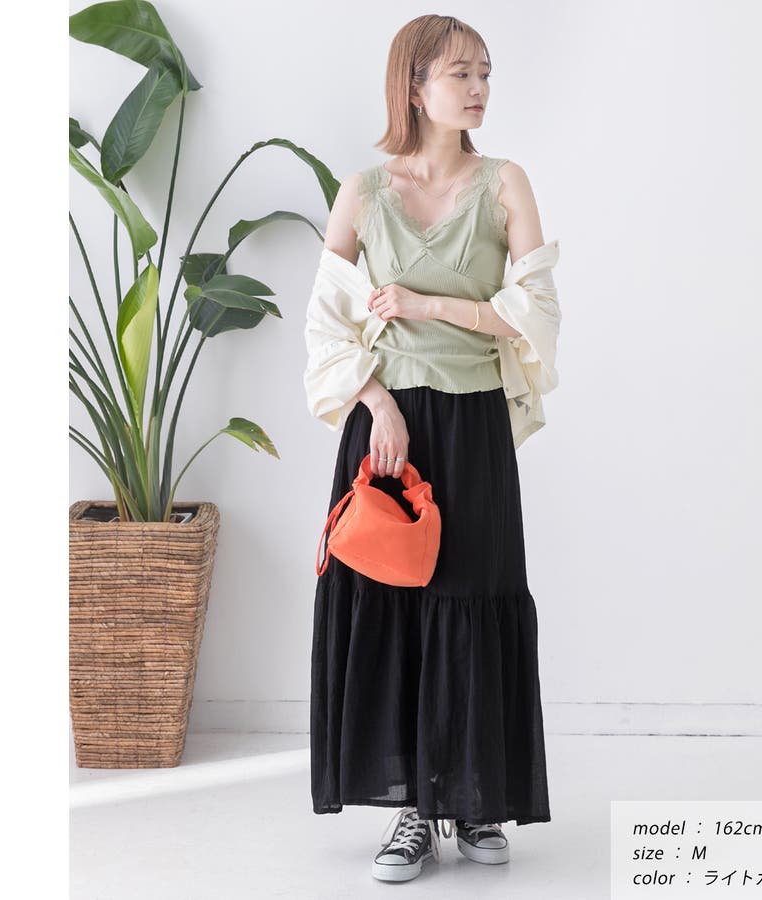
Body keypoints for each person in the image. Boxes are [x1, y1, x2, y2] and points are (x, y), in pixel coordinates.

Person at [304, 14, 558, 884]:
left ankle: (475, 795)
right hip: (389, 428)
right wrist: (377, 402)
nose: (479, 88)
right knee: (398, 606)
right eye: (460, 74)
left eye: (485, 72)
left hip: (474, 419)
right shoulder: (364, 191)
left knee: (474, 595)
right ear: (414, 86)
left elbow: (536, 313)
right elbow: (326, 324)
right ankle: (415, 806)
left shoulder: (505, 183)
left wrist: (429, 305)